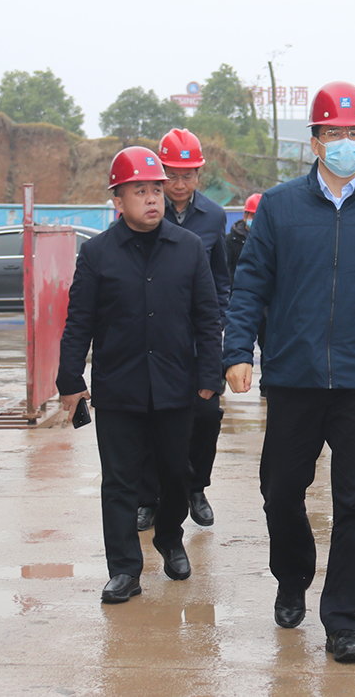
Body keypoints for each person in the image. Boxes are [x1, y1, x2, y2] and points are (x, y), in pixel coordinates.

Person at [224, 81, 355, 663]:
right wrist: (237, 351)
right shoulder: (280, 208)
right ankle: (293, 576)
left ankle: (343, 622)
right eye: (334, 132)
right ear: (314, 141)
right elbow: (250, 286)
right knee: (280, 491)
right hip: (294, 376)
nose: (345, 141)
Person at [56, 146, 222, 604]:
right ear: (118, 200)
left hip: (176, 384)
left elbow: (207, 317)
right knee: (119, 481)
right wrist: (70, 379)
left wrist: (209, 376)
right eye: (140, 191)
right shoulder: (97, 254)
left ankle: (169, 537)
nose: (152, 198)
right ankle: (125, 570)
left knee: (176, 474)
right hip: (119, 387)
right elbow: (79, 321)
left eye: (156, 189)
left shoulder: (188, 248)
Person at [137, 129, 229, 531]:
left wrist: (218, 319)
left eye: (187, 175)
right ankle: (148, 498)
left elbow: (221, 277)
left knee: (206, 414)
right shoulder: (142, 210)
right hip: (153, 337)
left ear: (198, 175)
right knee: (148, 416)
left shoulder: (213, 217)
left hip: (197, 338)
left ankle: (196, 488)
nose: (178, 184)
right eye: (171, 175)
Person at [226, 193, 261, 284]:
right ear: (245, 216)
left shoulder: (271, 241)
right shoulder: (229, 241)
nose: (257, 220)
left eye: (260, 216)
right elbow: (224, 272)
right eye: (253, 216)